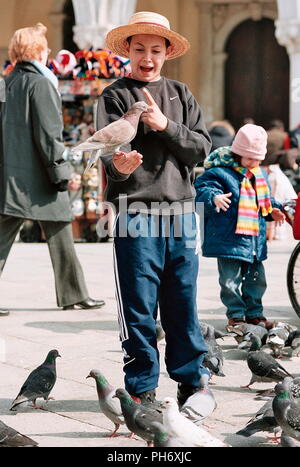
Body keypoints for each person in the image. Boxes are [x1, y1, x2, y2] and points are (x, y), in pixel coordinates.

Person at [97, 11, 212, 407]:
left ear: (167, 53)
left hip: (181, 215)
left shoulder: (181, 94)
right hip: (134, 215)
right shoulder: (113, 96)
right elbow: (106, 154)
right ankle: (142, 389)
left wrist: (166, 125)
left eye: (156, 50)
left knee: (183, 303)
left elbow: (202, 149)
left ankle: (191, 383)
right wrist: (118, 167)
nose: (148, 57)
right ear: (128, 50)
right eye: (140, 48)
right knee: (138, 307)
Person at [0, 23, 105, 316]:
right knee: (59, 231)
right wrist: (62, 172)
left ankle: (75, 294)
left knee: (14, 235)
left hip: (12, 177)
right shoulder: (41, 83)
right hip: (41, 177)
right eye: (45, 48)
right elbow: (49, 135)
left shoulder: (6, 81)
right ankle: (74, 295)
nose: (48, 53)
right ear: (36, 51)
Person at [195, 124, 285, 330]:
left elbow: (264, 201)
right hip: (229, 240)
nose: (254, 163)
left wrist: (274, 210)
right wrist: (213, 197)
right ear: (237, 153)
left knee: (257, 280)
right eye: (250, 158)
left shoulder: (258, 175)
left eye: (258, 160)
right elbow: (201, 189)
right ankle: (235, 315)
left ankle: (254, 313)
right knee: (230, 281)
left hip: (254, 240)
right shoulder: (219, 173)